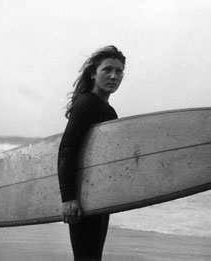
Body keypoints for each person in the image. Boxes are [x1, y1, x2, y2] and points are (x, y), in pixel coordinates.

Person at [57, 45, 126, 260]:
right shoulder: (86, 103)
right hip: (83, 196)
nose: (114, 76)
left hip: (96, 195)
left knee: (92, 257)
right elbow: (67, 149)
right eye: (107, 70)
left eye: (119, 71)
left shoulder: (108, 110)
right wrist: (68, 198)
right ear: (93, 73)